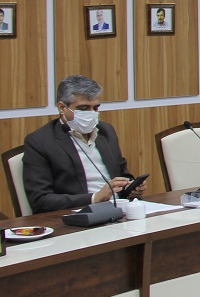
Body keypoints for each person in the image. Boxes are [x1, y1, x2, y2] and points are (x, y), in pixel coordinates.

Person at [23, 75, 144, 213]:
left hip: (119, 211)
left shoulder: (106, 131)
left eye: (95, 108)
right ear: (62, 107)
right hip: (78, 215)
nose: (91, 114)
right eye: (83, 108)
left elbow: (122, 174)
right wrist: (94, 198)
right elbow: (40, 200)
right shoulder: (40, 141)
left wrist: (131, 187)